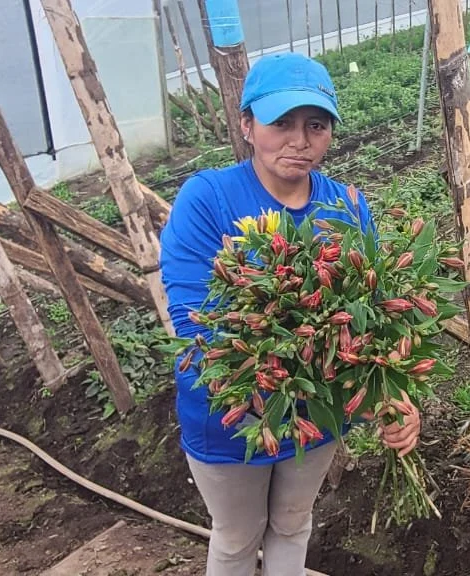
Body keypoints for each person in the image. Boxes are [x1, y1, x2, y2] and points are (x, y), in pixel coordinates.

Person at [158, 53, 422, 576]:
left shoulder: (346, 206)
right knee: (237, 537)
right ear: (247, 125)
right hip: (233, 410)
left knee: (293, 523)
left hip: (318, 413)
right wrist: (295, 371)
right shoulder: (208, 199)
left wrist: (389, 390)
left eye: (316, 125)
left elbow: (373, 318)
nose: (299, 141)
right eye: (281, 123)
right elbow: (195, 324)